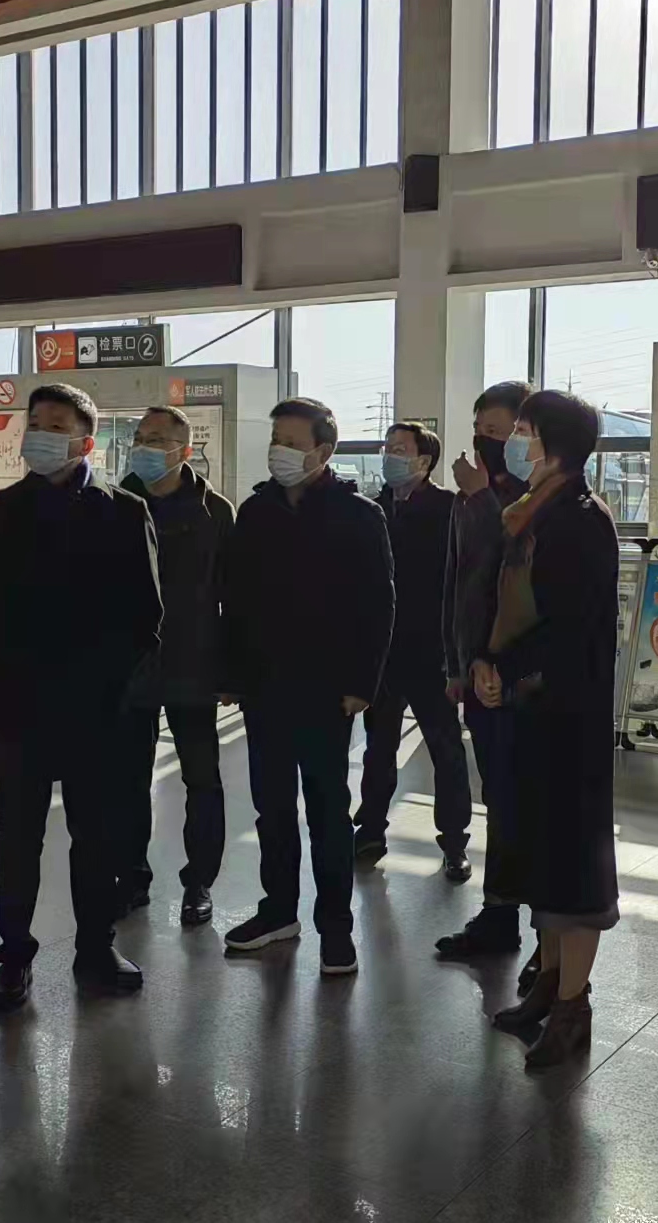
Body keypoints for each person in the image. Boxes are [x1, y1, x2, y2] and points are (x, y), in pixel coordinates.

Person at [0, 383, 162, 1015]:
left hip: (98, 710)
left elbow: (145, 616)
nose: (40, 434)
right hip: (20, 705)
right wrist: (2, 669)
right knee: (17, 839)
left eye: (56, 425)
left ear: (85, 441)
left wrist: (106, 685)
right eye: (35, 422)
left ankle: (96, 947)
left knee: (97, 838)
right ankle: (13, 957)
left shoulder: (124, 512)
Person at [220, 398, 394, 977]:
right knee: (271, 806)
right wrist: (232, 674)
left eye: (292, 443)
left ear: (324, 450)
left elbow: (379, 605)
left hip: (327, 689)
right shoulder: (256, 512)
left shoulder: (359, 515)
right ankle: (278, 911)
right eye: (277, 439)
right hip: (264, 686)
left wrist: (362, 684)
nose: (280, 451)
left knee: (327, 810)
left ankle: (336, 928)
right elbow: (235, 600)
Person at [482, 390, 620, 1070]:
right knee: (544, 856)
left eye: (524, 430)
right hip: (532, 707)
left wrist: (504, 665)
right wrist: (488, 662)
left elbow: (567, 626)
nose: (513, 440)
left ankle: (572, 1009)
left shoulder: (579, 520)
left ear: (555, 445)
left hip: (569, 715)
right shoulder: (533, 510)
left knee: (574, 867)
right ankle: (548, 984)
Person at [117, 405, 235, 927]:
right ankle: (130, 876)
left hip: (194, 664)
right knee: (127, 779)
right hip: (131, 666)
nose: (144, 446)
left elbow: (234, 596)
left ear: (185, 450)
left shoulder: (215, 512)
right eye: (141, 436)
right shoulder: (114, 505)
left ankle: (199, 881)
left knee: (201, 778)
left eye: (158, 439)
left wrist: (231, 672)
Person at [434, 381, 534, 977]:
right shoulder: (469, 498)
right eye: (480, 431)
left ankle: (548, 931)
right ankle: (499, 914)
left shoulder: (540, 496)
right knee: (497, 794)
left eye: (499, 432)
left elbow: (512, 562)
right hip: (477, 670)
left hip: (525, 677)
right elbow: (459, 584)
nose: (486, 442)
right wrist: (456, 662)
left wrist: (479, 499)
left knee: (530, 801)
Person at [354, 422, 472, 881]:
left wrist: (456, 654)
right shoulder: (373, 508)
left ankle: (454, 841)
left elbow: (460, 582)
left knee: (445, 748)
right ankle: (370, 830)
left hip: (431, 652)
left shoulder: (449, 509)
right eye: (387, 447)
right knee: (378, 748)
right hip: (382, 652)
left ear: (424, 461)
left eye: (400, 449)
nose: (390, 456)